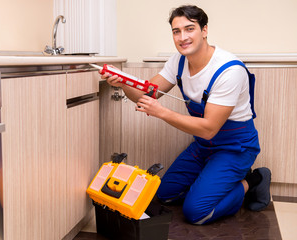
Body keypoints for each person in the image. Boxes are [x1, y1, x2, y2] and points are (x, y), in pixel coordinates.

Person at [101, 5, 271, 225]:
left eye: (189, 29)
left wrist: (161, 113)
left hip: (234, 147)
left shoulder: (229, 70)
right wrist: (123, 83)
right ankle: (211, 182)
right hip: (203, 146)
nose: (182, 37)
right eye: (176, 31)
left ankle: (252, 180)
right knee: (164, 195)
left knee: (197, 213)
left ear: (204, 30)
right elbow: (146, 93)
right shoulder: (178, 61)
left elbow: (209, 128)